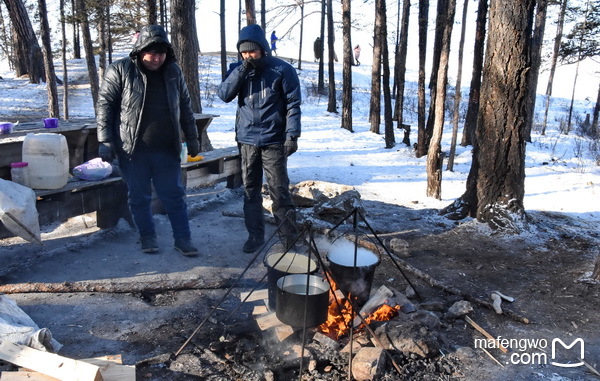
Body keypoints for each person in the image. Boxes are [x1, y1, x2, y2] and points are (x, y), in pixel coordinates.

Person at [96, 24, 200, 257]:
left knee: (173, 195)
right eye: (151, 53)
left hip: (166, 148)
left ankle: (183, 238)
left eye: (161, 53)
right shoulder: (120, 70)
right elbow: (105, 106)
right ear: (140, 50)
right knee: (139, 196)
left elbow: (185, 106)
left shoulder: (173, 71)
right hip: (132, 149)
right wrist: (105, 140)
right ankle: (147, 237)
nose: (156, 58)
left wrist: (192, 136)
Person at [218, 24, 301, 253]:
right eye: (244, 52)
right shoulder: (238, 69)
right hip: (246, 140)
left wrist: (292, 135)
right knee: (250, 191)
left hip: (274, 140)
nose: (248, 56)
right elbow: (224, 95)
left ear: (263, 49)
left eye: (252, 51)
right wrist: (242, 70)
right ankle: (255, 236)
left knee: (279, 191)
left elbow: (293, 105)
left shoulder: (282, 70)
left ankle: (289, 238)